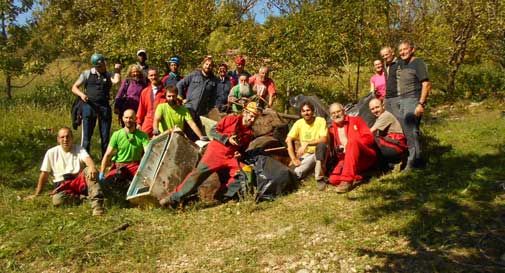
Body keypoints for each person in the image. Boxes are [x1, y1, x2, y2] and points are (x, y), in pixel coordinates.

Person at [159, 102, 261, 207]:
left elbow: (242, 150)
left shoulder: (249, 133)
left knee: (246, 172)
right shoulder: (231, 119)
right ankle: (172, 199)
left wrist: (239, 153)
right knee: (197, 176)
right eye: (251, 116)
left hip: (230, 157)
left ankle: (223, 196)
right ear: (245, 112)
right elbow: (213, 131)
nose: (252, 120)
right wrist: (227, 139)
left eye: (255, 118)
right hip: (215, 152)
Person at [25, 127, 104, 216]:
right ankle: (84, 198)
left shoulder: (79, 149)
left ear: (72, 138)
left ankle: (97, 206)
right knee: (57, 201)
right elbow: (44, 173)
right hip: (62, 185)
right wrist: (37, 194)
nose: (65, 139)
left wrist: (92, 167)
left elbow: (88, 160)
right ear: (58, 139)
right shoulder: (51, 152)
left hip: (78, 181)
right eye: (62, 137)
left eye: (68, 137)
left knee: (90, 170)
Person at [71, 53, 121, 156]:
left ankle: (105, 160)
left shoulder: (108, 74)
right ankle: (85, 160)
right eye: (99, 66)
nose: (102, 67)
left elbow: (116, 81)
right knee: (86, 137)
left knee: (105, 136)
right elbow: (74, 87)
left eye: (103, 64)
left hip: (104, 107)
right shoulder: (87, 74)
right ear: (95, 66)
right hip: (89, 106)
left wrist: (117, 70)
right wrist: (81, 95)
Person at [397, 40, 432, 170]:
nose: (402, 52)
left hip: (413, 99)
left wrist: (421, 104)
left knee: (411, 131)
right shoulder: (403, 64)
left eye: (405, 49)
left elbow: (426, 84)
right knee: (409, 131)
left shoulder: (418, 63)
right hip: (403, 100)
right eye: (400, 50)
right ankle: (418, 161)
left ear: (412, 49)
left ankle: (413, 163)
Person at [327, 103, 377, 193]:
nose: (336, 114)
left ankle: (347, 181)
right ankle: (361, 175)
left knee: (352, 142)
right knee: (333, 179)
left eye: (338, 111)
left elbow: (369, 138)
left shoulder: (356, 120)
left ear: (344, 111)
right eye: (333, 113)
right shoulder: (331, 129)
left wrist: (353, 145)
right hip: (346, 159)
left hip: (364, 156)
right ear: (331, 116)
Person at [100, 109, 149, 188]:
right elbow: (107, 155)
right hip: (119, 166)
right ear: (122, 118)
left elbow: (147, 153)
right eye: (126, 117)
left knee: (145, 182)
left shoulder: (143, 136)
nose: (128, 120)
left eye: (131, 118)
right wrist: (101, 173)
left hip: (135, 166)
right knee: (107, 183)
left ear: (135, 119)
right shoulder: (117, 134)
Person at [285, 101, 327, 187]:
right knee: (295, 173)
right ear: (301, 113)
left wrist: (307, 144)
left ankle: (320, 178)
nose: (306, 113)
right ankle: (310, 173)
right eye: (303, 111)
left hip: (319, 153)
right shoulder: (299, 123)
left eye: (308, 110)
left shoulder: (320, 121)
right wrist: (293, 158)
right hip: (307, 155)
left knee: (321, 146)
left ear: (313, 111)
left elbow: (324, 139)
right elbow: (288, 139)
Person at [176, 55, 218, 140]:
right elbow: (180, 84)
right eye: (206, 64)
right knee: (184, 132)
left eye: (210, 65)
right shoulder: (194, 74)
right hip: (189, 108)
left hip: (201, 112)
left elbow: (213, 98)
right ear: (203, 64)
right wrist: (181, 98)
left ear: (212, 67)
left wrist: (209, 110)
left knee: (196, 135)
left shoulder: (214, 80)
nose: (208, 66)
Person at [369, 98, 407, 165]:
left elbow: (370, 132)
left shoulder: (385, 116)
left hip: (396, 148)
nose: (375, 110)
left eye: (377, 107)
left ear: (383, 106)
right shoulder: (380, 117)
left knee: (370, 142)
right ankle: (384, 167)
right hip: (392, 145)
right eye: (372, 109)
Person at [136, 67, 167, 137]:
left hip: (162, 121)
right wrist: (138, 123)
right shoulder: (145, 92)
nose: (153, 77)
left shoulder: (165, 92)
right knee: (142, 140)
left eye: (155, 75)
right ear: (148, 77)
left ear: (159, 76)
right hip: (148, 120)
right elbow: (141, 109)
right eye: (151, 75)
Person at [380, 46, 402, 121]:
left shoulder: (400, 63)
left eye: (386, 54)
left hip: (397, 96)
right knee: (389, 120)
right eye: (383, 56)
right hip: (388, 97)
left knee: (399, 120)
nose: (385, 57)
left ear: (392, 53)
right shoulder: (385, 65)